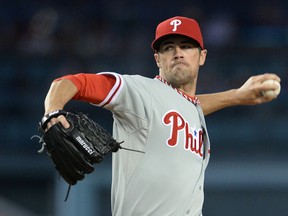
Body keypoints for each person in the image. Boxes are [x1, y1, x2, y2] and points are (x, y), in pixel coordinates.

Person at [43, 16, 280, 216]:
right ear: (158, 59)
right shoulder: (140, 91)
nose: (177, 53)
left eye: (186, 46)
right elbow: (73, 82)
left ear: (202, 56)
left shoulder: (190, 109)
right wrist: (52, 112)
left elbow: (188, 106)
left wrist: (237, 96)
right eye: (168, 48)